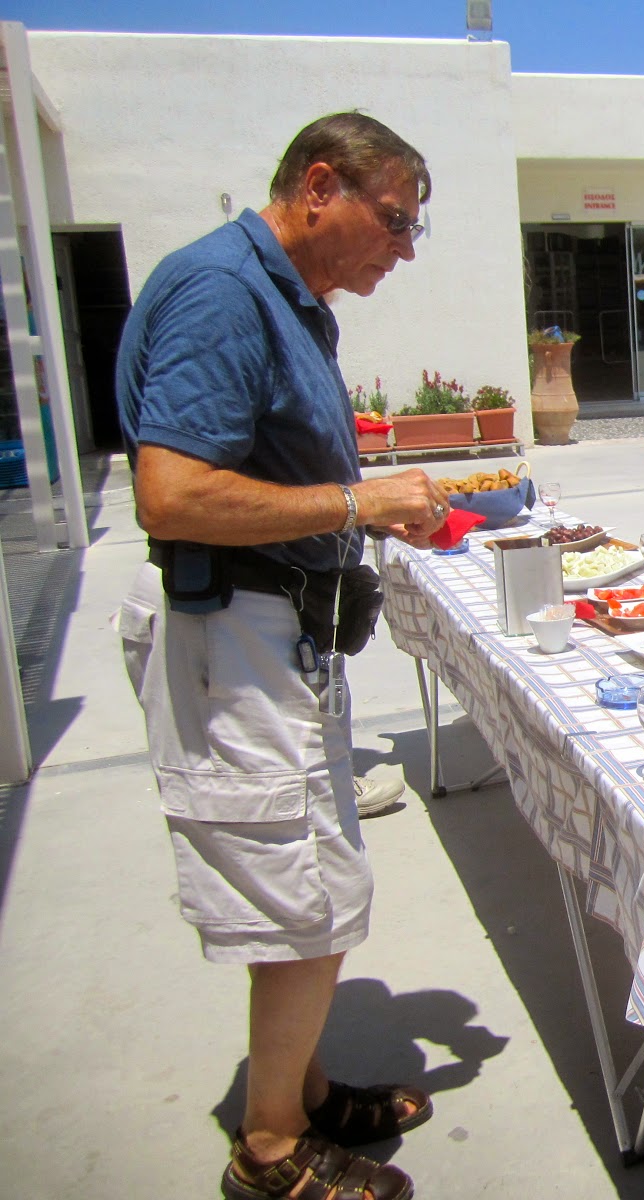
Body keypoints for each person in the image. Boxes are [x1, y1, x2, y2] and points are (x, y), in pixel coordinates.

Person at [116, 112, 450, 1200]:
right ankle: (269, 1151)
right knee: (302, 892)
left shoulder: (282, 297)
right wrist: (357, 502)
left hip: (277, 632)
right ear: (318, 186)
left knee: (303, 882)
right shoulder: (224, 292)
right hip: (235, 632)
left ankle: (296, 1096)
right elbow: (171, 493)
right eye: (394, 221)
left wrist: (359, 511)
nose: (403, 250)